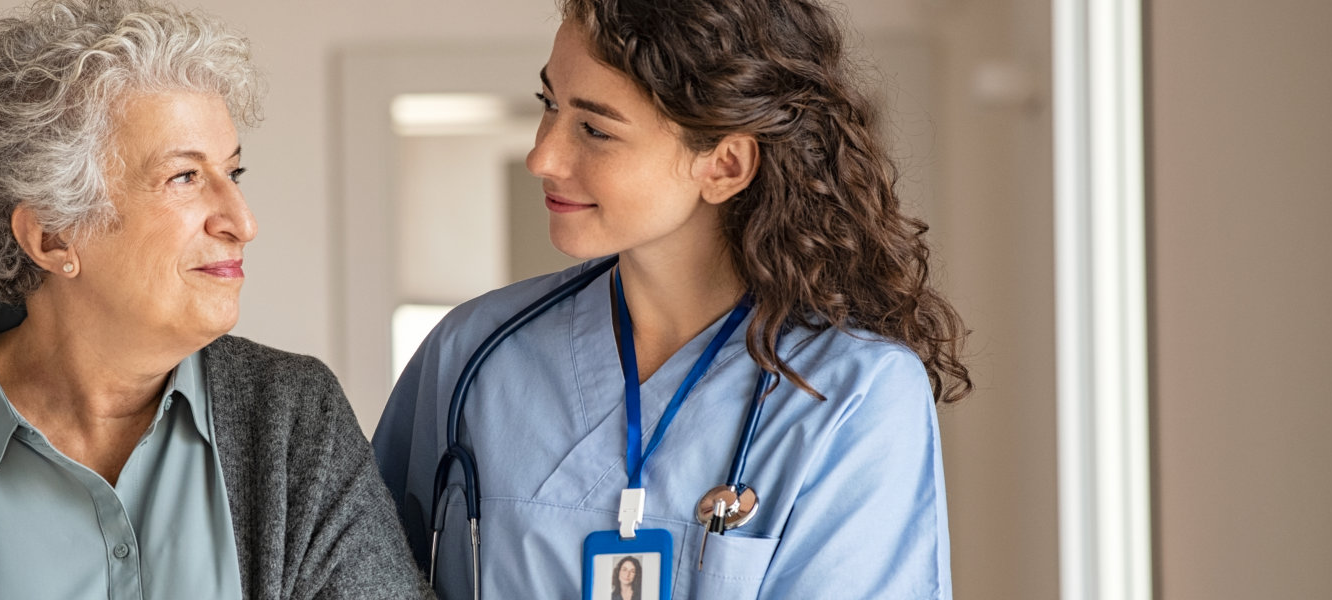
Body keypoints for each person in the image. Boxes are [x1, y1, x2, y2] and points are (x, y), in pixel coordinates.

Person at [0, 1, 427, 598]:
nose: (241, 219)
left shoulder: (293, 419)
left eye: (232, 173)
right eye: (184, 177)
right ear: (52, 235)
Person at [373, 0, 971, 598]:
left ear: (725, 165)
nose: (542, 156)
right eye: (549, 105)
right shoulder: (474, 352)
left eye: (595, 129)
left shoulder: (853, 392)